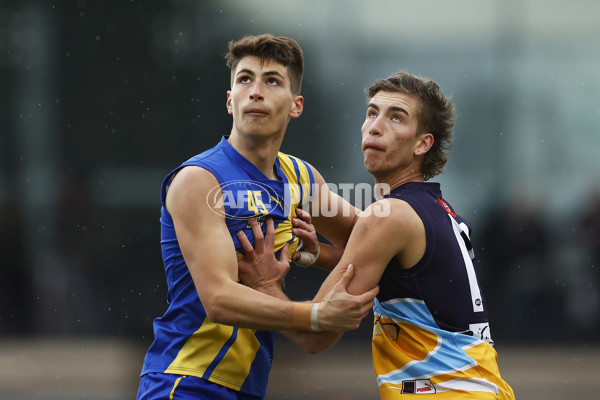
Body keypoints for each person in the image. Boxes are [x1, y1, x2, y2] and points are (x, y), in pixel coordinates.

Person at [241, 71, 515, 399]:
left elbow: (315, 337)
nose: (375, 125)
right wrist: (319, 256)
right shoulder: (437, 210)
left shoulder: (389, 217)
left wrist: (265, 285)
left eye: (396, 117)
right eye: (372, 113)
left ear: (422, 144)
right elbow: (399, 275)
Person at [136, 34, 378, 400]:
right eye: (244, 79)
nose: (255, 91)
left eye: (272, 81)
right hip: (185, 383)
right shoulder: (198, 180)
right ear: (230, 101)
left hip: (248, 386)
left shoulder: (301, 178)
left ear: (296, 106)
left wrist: (317, 257)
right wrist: (315, 316)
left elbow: (373, 240)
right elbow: (218, 298)